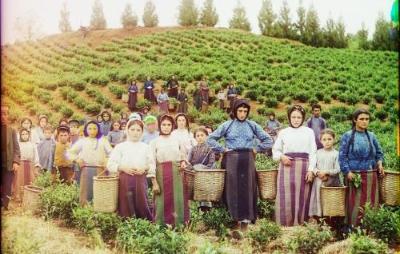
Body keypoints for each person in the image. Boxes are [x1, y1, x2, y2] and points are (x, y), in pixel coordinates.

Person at [207, 99, 273, 230]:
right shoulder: (228, 125)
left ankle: (245, 223)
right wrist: (222, 149)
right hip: (231, 160)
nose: (242, 114)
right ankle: (233, 221)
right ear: (235, 111)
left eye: (245, 111)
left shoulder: (252, 125)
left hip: (247, 160)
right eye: (240, 111)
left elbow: (268, 140)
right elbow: (210, 139)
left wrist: (256, 149)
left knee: (247, 190)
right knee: (231, 190)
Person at [272, 104, 316, 227]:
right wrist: (282, 157)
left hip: (303, 167)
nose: (296, 120)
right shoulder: (283, 132)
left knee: (302, 195)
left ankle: (300, 224)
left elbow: (313, 152)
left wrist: (311, 170)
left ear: (303, 118)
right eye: (293, 117)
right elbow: (275, 150)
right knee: (286, 195)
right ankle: (284, 224)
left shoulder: (309, 132)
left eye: (298, 117)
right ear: (289, 118)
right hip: (286, 167)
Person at [339, 109, 384, 227]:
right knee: (355, 204)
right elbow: (342, 156)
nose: (365, 122)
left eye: (367, 119)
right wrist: (347, 171)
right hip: (354, 176)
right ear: (355, 120)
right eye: (361, 119)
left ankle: (370, 228)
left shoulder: (372, 136)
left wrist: (379, 163)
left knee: (371, 202)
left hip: (371, 175)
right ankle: (353, 229)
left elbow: (379, 153)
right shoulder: (348, 136)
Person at [107, 119, 154, 220]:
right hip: (125, 180)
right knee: (125, 206)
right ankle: (126, 226)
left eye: (138, 130)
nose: (135, 133)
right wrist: (122, 167)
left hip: (140, 180)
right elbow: (110, 164)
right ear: (127, 130)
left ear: (142, 132)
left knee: (141, 204)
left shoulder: (146, 147)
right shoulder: (120, 147)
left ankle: (143, 225)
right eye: (132, 129)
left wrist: (144, 168)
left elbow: (152, 165)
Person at [149, 114, 189, 227]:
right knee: (161, 200)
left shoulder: (177, 140)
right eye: (163, 124)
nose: (166, 127)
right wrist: (154, 182)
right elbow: (151, 161)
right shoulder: (154, 142)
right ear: (159, 126)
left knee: (177, 200)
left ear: (172, 126)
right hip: (161, 174)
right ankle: (160, 226)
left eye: (169, 125)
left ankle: (178, 225)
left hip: (177, 174)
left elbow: (183, 156)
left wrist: (182, 162)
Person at [67, 121, 112, 205]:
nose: (92, 131)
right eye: (90, 128)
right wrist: (77, 159)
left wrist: (107, 160)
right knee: (85, 191)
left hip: (100, 170)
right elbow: (70, 153)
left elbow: (112, 153)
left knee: (100, 192)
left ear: (98, 129)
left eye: (95, 128)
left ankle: (100, 211)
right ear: (86, 130)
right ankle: (85, 211)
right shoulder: (82, 141)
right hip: (86, 169)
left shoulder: (103, 141)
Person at [309, 129, 341, 219]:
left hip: (331, 182)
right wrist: (318, 172)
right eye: (324, 139)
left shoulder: (336, 154)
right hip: (318, 181)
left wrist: (326, 172)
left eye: (329, 139)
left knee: (329, 201)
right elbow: (313, 166)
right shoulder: (318, 153)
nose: (327, 142)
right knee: (319, 199)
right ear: (320, 141)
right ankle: (319, 220)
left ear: (334, 139)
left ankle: (330, 220)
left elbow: (338, 169)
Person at [188, 127, 216, 211]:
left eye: (202, 135)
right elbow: (188, 161)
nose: (200, 137)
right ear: (195, 138)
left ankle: (206, 209)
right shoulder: (193, 149)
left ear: (206, 136)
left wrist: (206, 169)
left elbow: (212, 162)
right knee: (197, 191)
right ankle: (198, 209)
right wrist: (191, 168)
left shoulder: (209, 149)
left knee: (205, 191)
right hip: (195, 173)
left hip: (206, 174)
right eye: (198, 136)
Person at [1, 104, 21, 210]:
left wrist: (16, 162)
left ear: (8, 115)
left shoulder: (12, 131)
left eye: (5, 114)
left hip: (8, 162)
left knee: (7, 184)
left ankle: (5, 205)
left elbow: (17, 149)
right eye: (1, 113)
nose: (2, 116)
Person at [13, 128, 41, 202]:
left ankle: (30, 199)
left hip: (30, 164)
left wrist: (36, 164)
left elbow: (36, 155)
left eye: (26, 134)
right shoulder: (18, 144)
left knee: (31, 180)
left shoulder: (32, 144)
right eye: (23, 134)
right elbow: (15, 155)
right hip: (20, 165)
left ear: (29, 135)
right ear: (20, 135)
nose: (25, 136)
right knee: (19, 181)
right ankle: (19, 197)